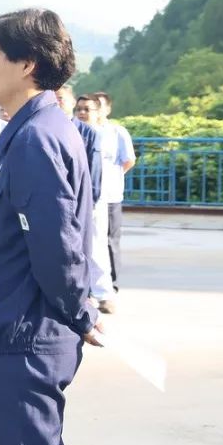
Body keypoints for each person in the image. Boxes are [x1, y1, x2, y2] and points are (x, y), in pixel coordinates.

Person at [0, 8, 103, 445]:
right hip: (21, 329)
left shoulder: (37, 138)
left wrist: (79, 312)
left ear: (26, 65)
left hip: (23, 335)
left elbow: (58, 245)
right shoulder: (35, 130)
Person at [57, 88, 112, 313]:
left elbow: (94, 175)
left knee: (87, 251)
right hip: (57, 205)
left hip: (82, 205)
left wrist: (86, 206)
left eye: (61, 99)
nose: (57, 103)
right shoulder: (48, 130)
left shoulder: (88, 134)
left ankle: (89, 295)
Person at [94, 91, 136, 295]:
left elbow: (128, 160)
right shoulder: (83, 130)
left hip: (110, 194)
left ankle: (113, 282)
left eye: (100, 106)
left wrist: (112, 177)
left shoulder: (117, 132)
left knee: (110, 239)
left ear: (108, 109)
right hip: (90, 195)